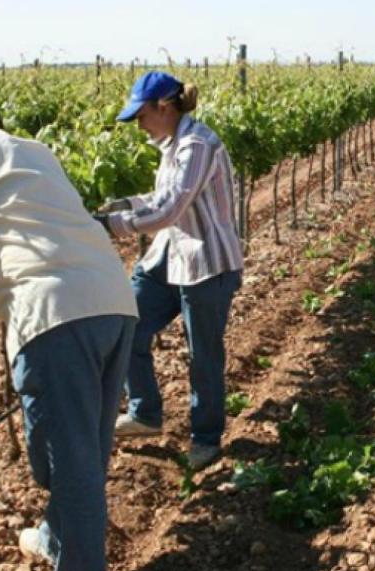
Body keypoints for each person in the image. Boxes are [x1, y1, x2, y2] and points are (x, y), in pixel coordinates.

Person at [0, 90, 138, 571]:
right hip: (114, 306)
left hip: (57, 321)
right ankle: (56, 539)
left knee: (67, 466)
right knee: (85, 455)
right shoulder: (34, 152)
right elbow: (30, 264)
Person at [95, 72, 244, 470]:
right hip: (169, 256)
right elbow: (159, 197)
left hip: (206, 263)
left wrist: (110, 227)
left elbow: (169, 210)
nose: (138, 125)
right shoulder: (172, 144)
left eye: (141, 115)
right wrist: (122, 204)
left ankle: (206, 439)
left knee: (203, 355)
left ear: (164, 107)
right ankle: (145, 413)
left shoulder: (197, 145)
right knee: (126, 325)